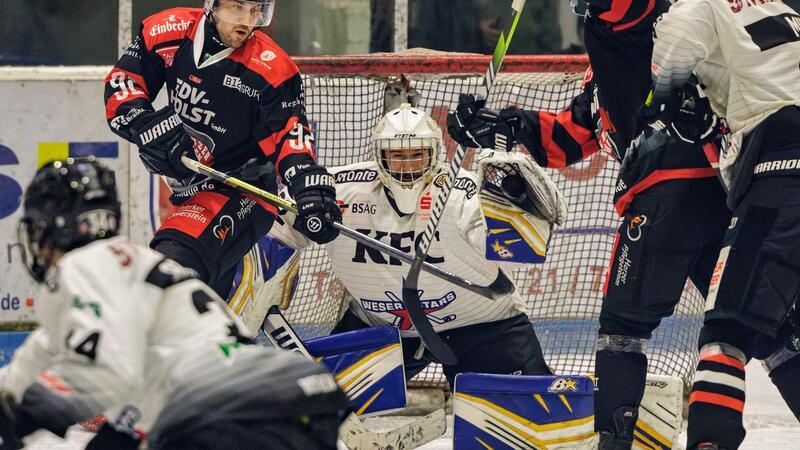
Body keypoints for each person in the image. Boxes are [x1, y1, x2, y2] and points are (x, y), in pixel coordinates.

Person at [445, 1, 733, 448]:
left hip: (672, 191)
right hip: (717, 189)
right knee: (761, 328)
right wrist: (500, 126)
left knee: (622, 330)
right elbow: (574, 134)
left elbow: (630, 8)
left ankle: (612, 444)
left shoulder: (642, 31)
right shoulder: (610, 70)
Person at [0, 158, 349, 450]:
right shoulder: (138, 266)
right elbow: (33, 365)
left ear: (53, 228)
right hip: (296, 395)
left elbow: (105, 376)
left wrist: (24, 414)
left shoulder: (82, 267)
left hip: (227, 417)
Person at [269, 104, 560, 386]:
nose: (407, 166)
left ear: (434, 154)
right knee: (313, 408)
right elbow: (276, 229)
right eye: (397, 156)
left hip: (482, 326)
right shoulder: (340, 189)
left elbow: (519, 249)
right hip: (381, 328)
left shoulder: (462, 192)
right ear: (378, 156)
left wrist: (513, 197)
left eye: (417, 155)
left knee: (526, 416)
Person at [104, 0, 341, 298]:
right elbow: (123, 82)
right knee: (209, 305)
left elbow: (289, 135)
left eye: (257, 11)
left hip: (243, 190)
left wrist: (307, 185)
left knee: (171, 267)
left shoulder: (272, 68)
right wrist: (144, 124)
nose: (247, 21)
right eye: (237, 8)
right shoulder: (168, 30)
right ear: (211, 5)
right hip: (189, 189)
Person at [646, 0, 800, 448]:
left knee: (724, 335)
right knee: (785, 330)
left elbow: (665, 83)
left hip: (783, 175)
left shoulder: (694, 7)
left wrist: (660, 103)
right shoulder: (779, 7)